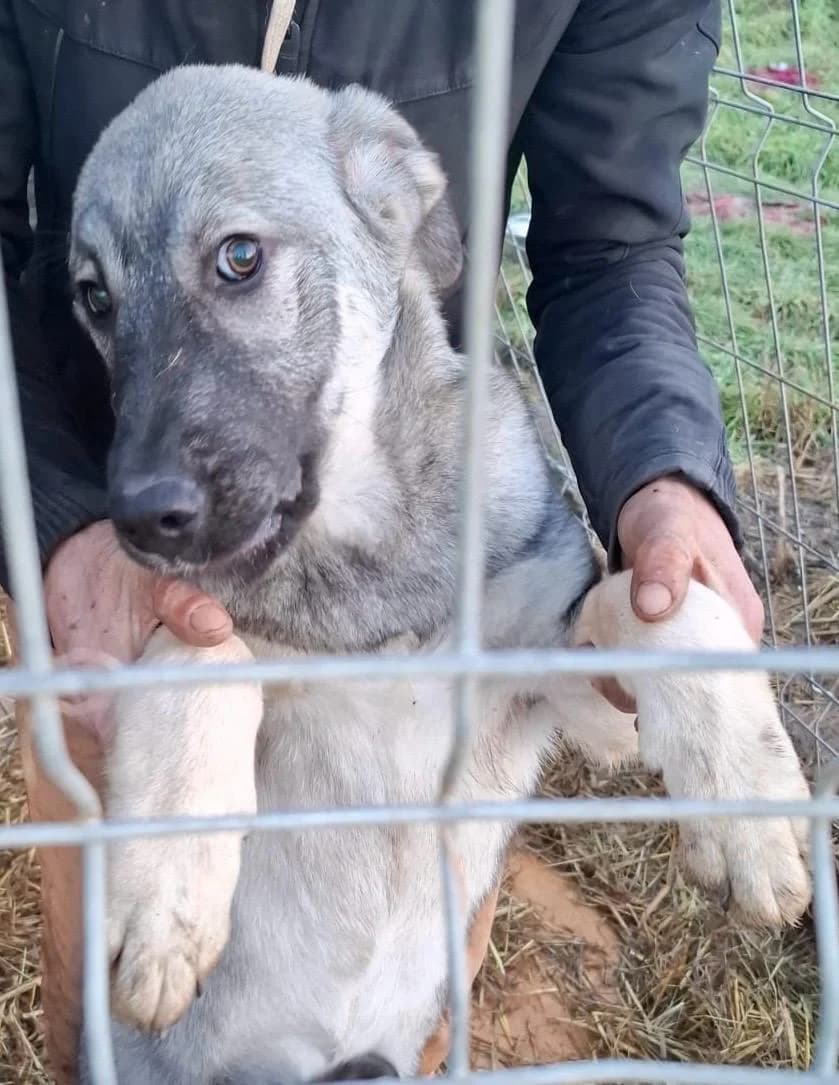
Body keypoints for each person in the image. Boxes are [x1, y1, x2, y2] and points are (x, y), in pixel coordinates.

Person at [1, 1, 764, 1079]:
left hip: (405, 500)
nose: (156, 475)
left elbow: (614, 241)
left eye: (238, 262)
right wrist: (56, 524)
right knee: (115, 1009)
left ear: (404, 210)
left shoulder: (490, 512)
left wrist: (668, 502)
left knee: (426, 1020)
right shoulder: (153, 518)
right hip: (101, 589)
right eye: (103, 301)